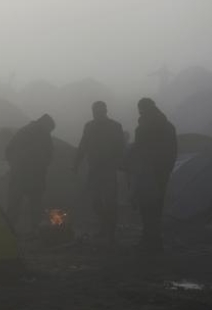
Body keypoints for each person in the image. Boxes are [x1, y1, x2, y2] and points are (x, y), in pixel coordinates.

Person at [128, 97, 177, 253]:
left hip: (147, 172)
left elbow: (139, 150)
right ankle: (154, 240)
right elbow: (173, 152)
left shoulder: (144, 127)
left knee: (147, 207)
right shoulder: (168, 126)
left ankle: (149, 240)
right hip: (160, 172)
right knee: (156, 207)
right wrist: (167, 169)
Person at [73, 101, 126, 243]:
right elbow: (83, 146)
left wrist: (119, 164)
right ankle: (105, 227)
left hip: (108, 169)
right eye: (94, 110)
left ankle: (110, 231)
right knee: (96, 201)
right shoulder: (89, 126)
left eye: (98, 110)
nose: (96, 113)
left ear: (104, 111)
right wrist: (76, 164)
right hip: (95, 169)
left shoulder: (115, 126)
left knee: (109, 201)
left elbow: (121, 148)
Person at [5, 113, 55, 232]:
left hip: (19, 174)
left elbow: (9, 150)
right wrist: (43, 166)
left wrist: (14, 165)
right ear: (46, 125)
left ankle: (9, 230)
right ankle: (36, 229)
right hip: (34, 175)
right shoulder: (44, 135)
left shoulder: (23, 131)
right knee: (35, 203)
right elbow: (49, 154)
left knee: (15, 203)